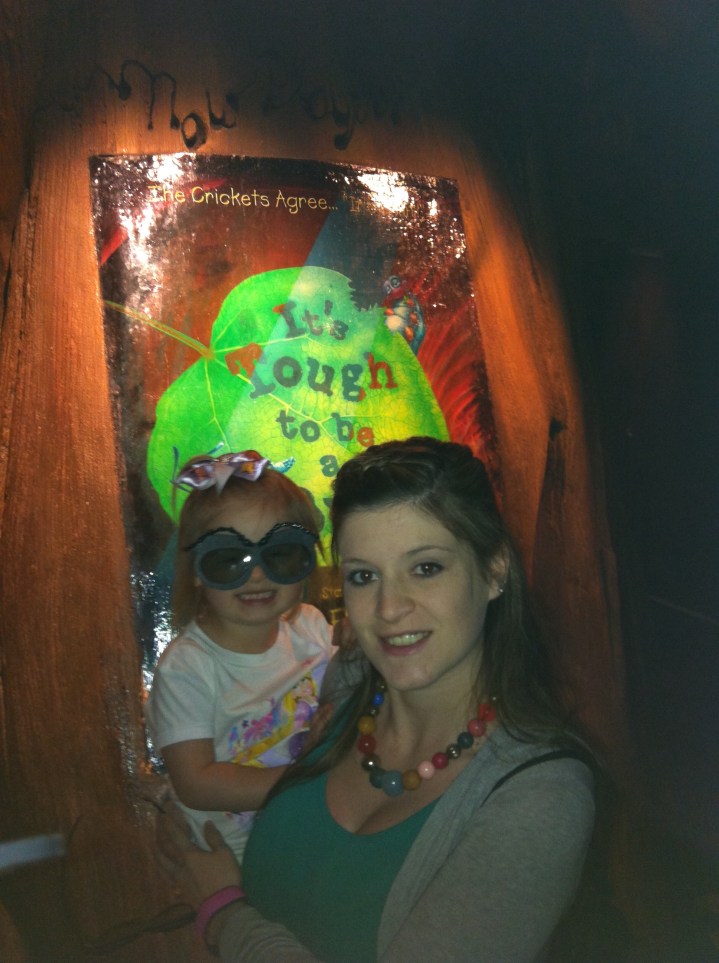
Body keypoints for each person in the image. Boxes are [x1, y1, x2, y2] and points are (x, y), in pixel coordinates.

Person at [157, 437, 597, 961]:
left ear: (494, 571)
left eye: (426, 568)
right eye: (364, 576)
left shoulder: (540, 797)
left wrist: (224, 913)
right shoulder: (344, 682)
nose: (388, 608)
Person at [146, 449, 334, 863]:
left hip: (315, 837)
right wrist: (308, 778)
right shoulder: (188, 667)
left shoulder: (312, 629)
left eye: (280, 552)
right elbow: (197, 783)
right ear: (197, 570)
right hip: (241, 861)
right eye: (229, 558)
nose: (257, 574)